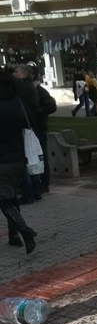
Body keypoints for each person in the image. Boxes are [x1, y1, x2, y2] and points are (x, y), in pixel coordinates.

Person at [0, 66, 37, 253]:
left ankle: (25, 231)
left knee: (3, 200)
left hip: (2, 161)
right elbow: (28, 121)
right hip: (18, 158)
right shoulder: (17, 102)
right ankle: (13, 236)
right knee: (11, 196)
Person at [15, 62, 56, 195]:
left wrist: (37, 112)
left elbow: (51, 107)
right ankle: (34, 183)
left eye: (18, 73)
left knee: (41, 155)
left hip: (38, 128)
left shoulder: (39, 91)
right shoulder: (22, 90)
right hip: (29, 128)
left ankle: (44, 182)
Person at [14, 63, 43, 203]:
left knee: (26, 160)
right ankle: (36, 190)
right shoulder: (30, 87)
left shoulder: (21, 88)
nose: (14, 74)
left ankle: (29, 192)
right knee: (31, 158)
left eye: (17, 72)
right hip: (31, 126)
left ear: (24, 74)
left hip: (25, 127)